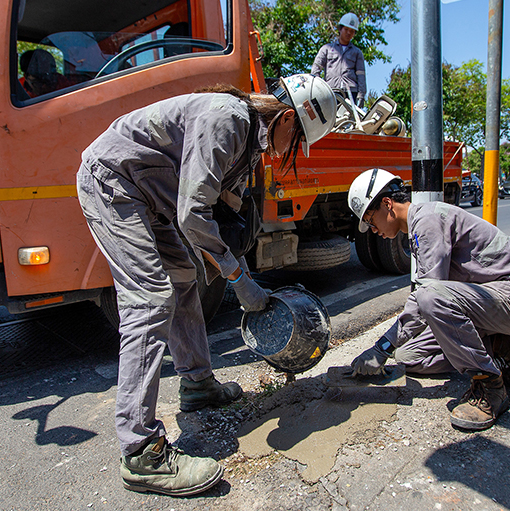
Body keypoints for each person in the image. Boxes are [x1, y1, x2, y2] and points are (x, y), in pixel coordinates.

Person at [76, 74, 336, 496]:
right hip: (114, 184)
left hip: (152, 198)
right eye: (298, 140)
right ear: (287, 118)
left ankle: (197, 385)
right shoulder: (228, 119)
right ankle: (141, 451)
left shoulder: (250, 143)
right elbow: (193, 215)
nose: (291, 151)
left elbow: (219, 214)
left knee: (183, 283)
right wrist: (239, 278)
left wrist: (234, 264)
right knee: (151, 299)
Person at [347, 169, 510, 431]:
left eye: (372, 221)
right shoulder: (418, 228)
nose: (374, 230)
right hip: (488, 303)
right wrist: (390, 348)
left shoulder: (428, 221)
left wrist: (381, 347)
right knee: (409, 356)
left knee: (430, 298)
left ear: (387, 205)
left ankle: (489, 388)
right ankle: (505, 348)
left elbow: (427, 299)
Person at [311, 12, 367, 108]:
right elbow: (316, 69)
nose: (349, 33)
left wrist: (361, 95)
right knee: (330, 121)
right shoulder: (327, 49)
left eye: (352, 31)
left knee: (347, 121)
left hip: (350, 93)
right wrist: (318, 89)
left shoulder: (357, 53)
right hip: (331, 91)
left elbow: (361, 75)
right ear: (340, 29)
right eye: (346, 29)